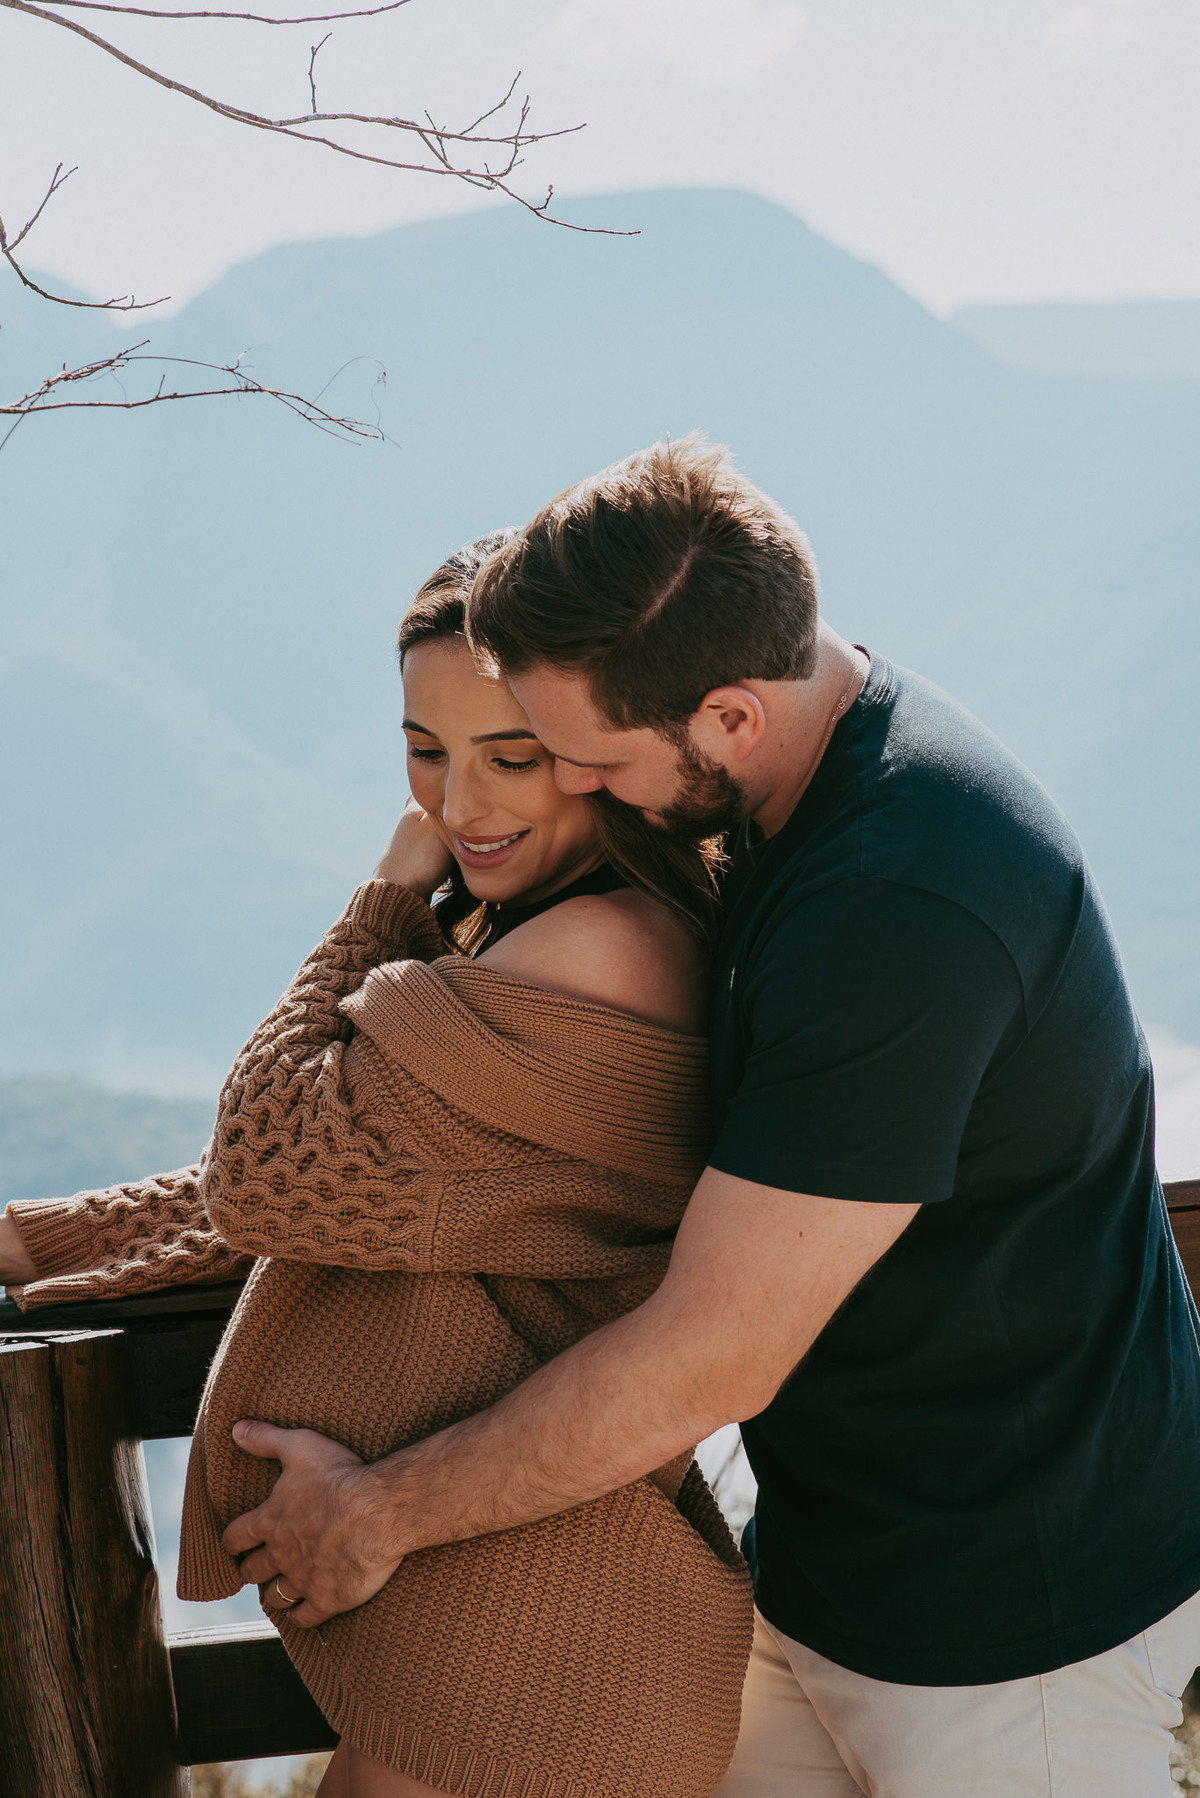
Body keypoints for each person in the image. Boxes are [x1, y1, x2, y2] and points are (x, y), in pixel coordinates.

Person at [189, 437, 1200, 1798]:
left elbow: (712, 1355)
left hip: (1019, 1634)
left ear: (727, 715)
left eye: (585, 757)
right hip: (829, 1584)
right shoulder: (786, 782)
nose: (576, 789)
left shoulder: (902, 905)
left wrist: (377, 1514)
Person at [1, 532, 754, 1798]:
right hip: (519, 1626)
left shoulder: (596, 953)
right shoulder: (573, 943)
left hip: (540, 1652)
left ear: (593, 744)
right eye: (425, 751)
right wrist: (46, 1242)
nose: (457, 808)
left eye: (510, 757)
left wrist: (379, 905)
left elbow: (269, 1165)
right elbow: (357, 1190)